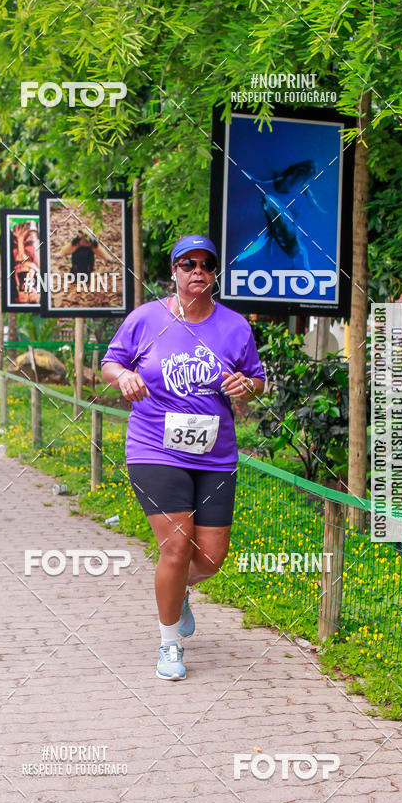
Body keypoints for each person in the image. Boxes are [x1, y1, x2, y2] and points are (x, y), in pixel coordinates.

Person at [101, 235, 265, 681]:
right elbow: (110, 363)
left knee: (210, 558)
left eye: (207, 264)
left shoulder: (235, 327)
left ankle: (177, 590)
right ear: (173, 271)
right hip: (154, 447)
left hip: (214, 455)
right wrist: (124, 377)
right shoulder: (145, 318)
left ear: (215, 273)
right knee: (176, 546)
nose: (198, 271)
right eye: (188, 263)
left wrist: (246, 386)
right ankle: (169, 643)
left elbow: (257, 380)